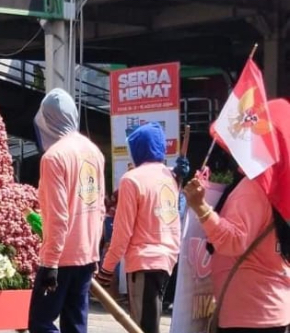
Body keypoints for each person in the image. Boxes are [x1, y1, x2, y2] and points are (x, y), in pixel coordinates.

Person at [183, 97, 290, 333]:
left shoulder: (253, 189)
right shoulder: (277, 187)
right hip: (269, 309)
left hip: (249, 315)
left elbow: (233, 241)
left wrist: (200, 207)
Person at [29, 89, 106, 333]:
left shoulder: (53, 158)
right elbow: (99, 207)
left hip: (60, 258)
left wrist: (50, 263)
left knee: (40, 322)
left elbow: (58, 216)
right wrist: (95, 252)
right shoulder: (94, 152)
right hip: (85, 254)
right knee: (75, 324)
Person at [95, 123, 182, 333]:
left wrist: (106, 268)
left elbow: (122, 231)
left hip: (144, 262)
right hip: (168, 260)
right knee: (150, 324)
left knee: (142, 328)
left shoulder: (132, 180)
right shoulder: (170, 176)